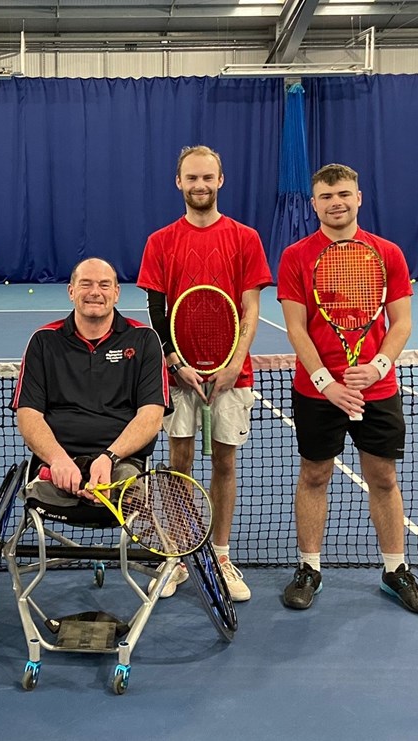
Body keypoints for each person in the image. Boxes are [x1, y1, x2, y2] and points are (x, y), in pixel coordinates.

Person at [276, 163, 418, 614]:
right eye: (326, 197)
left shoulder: (388, 253)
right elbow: (296, 329)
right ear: (314, 204)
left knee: (383, 477)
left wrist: (378, 365)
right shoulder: (296, 257)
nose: (336, 203)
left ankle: (395, 569)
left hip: (377, 389)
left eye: (344, 194)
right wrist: (327, 383)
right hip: (317, 392)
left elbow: (401, 322)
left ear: (359, 198)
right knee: (315, 475)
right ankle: (309, 567)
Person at [136, 145, 272, 601]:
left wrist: (234, 363)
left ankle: (219, 553)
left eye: (207, 177)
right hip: (178, 376)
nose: (200, 185)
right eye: (191, 178)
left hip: (233, 374)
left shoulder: (245, 238)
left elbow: (251, 306)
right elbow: (157, 309)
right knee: (178, 463)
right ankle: (176, 553)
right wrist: (174, 362)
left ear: (221, 180)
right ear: (179, 183)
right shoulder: (160, 241)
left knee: (225, 462)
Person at [13, 257, 168, 513]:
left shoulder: (144, 340)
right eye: (86, 284)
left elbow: (151, 417)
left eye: (104, 285)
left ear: (117, 293)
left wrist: (109, 458)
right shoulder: (43, 342)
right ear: (71, 291)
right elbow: (28, 415)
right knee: (37, 494)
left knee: (131, 494)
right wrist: (58, 460)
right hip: (59, 464)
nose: (95, 292)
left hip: (121, 463)